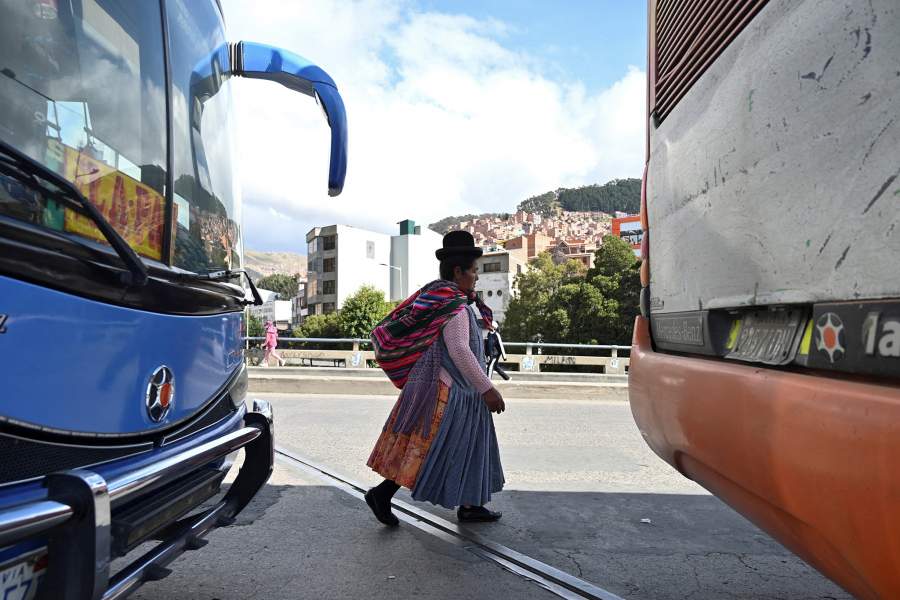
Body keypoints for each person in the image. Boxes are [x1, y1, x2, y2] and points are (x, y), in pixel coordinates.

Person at [367, 230, 506, 525]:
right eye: (474, 270)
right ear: (458, 271)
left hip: (450, 389)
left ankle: (471, 504)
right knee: (430, 450)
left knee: (460, 446)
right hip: (451, 392)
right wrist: (487, 389)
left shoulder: (436, 295)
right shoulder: (453, 305)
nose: (477, 277)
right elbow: (458, 350)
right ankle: (382, 494)